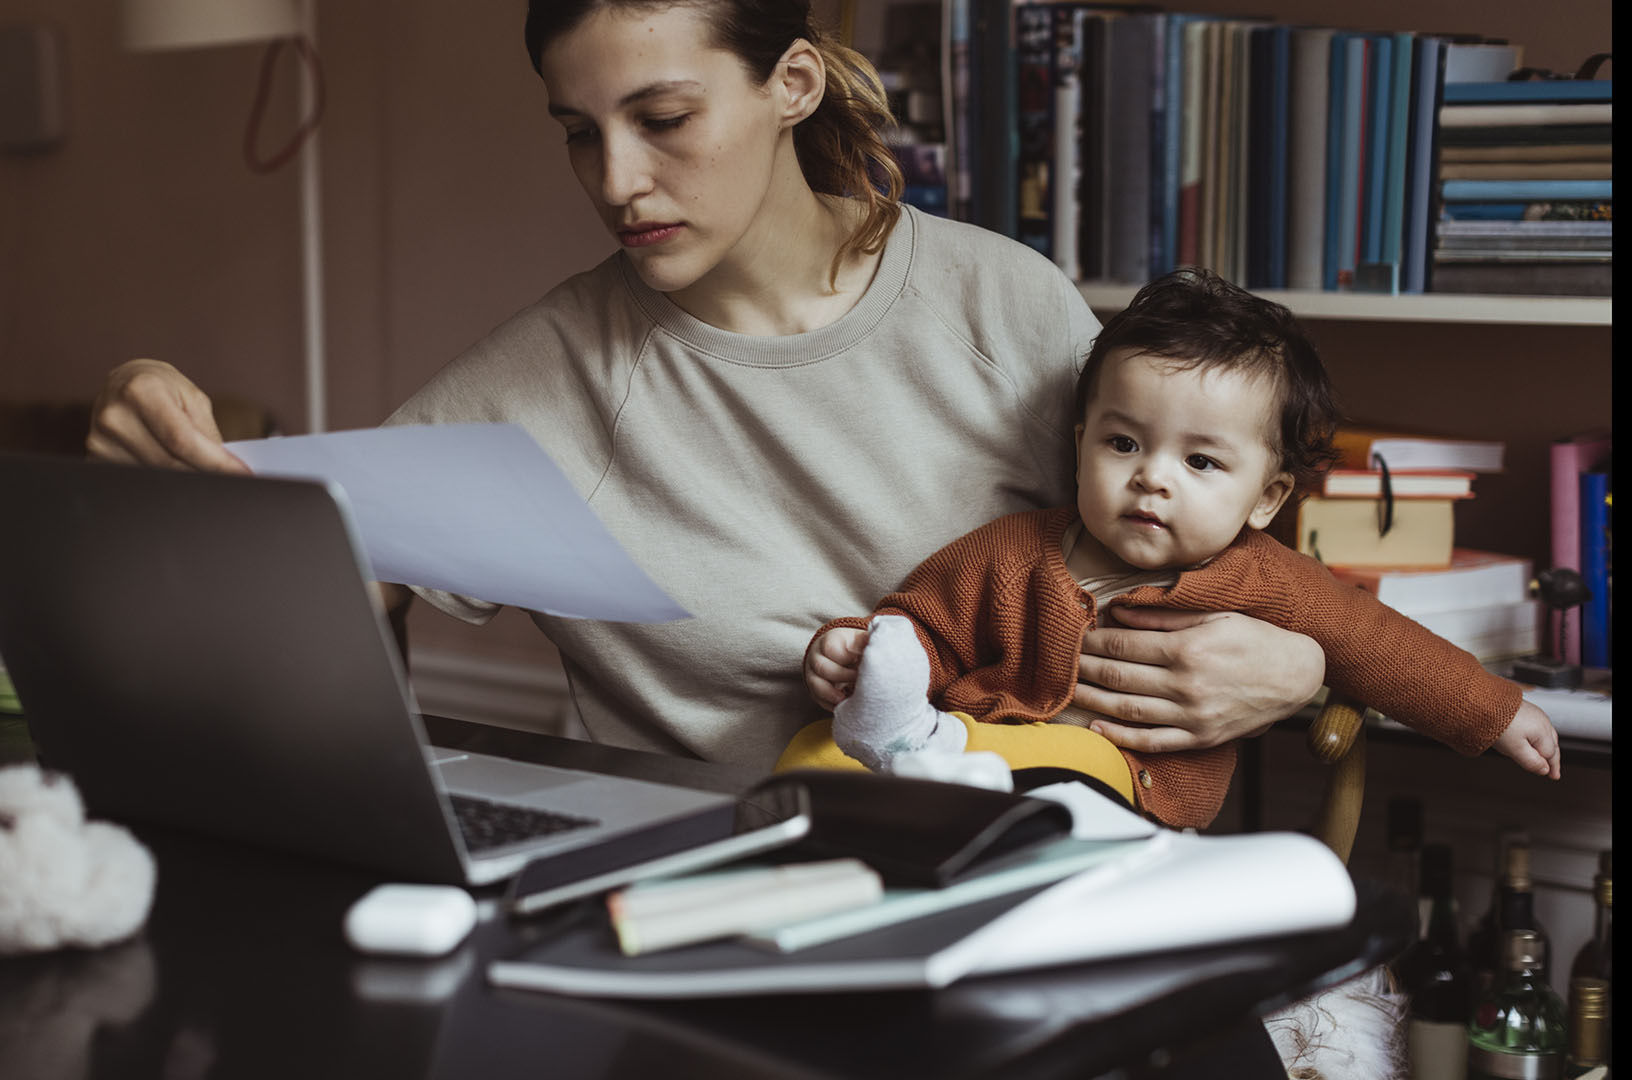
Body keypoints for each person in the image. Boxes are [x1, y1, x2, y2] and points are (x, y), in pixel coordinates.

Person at [85, 0, 1326, 772]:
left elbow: (1186, 544)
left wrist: (1300, 668)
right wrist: (161, 429)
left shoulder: (1002, 303)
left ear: (792, 84)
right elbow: (324, 578)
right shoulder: (550, 372)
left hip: (1024, 862)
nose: (617, 178)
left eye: (663, 117)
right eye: (579, 130)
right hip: (698, 891)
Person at [789, 269, 1561, 827]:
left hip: (1125, 789)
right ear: (1081, 441)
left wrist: (1496, 712)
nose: (1152, 478)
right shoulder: (1014, 550)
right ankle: (897, 778)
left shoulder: (1268, 581)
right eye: (1124, 442)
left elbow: (1380, 644)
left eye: (1200, 462)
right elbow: (923, 624)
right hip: (965, 753)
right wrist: (860, 654)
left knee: (1072, 766)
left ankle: (940, 782)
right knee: (811, 754)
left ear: (1267, 498)